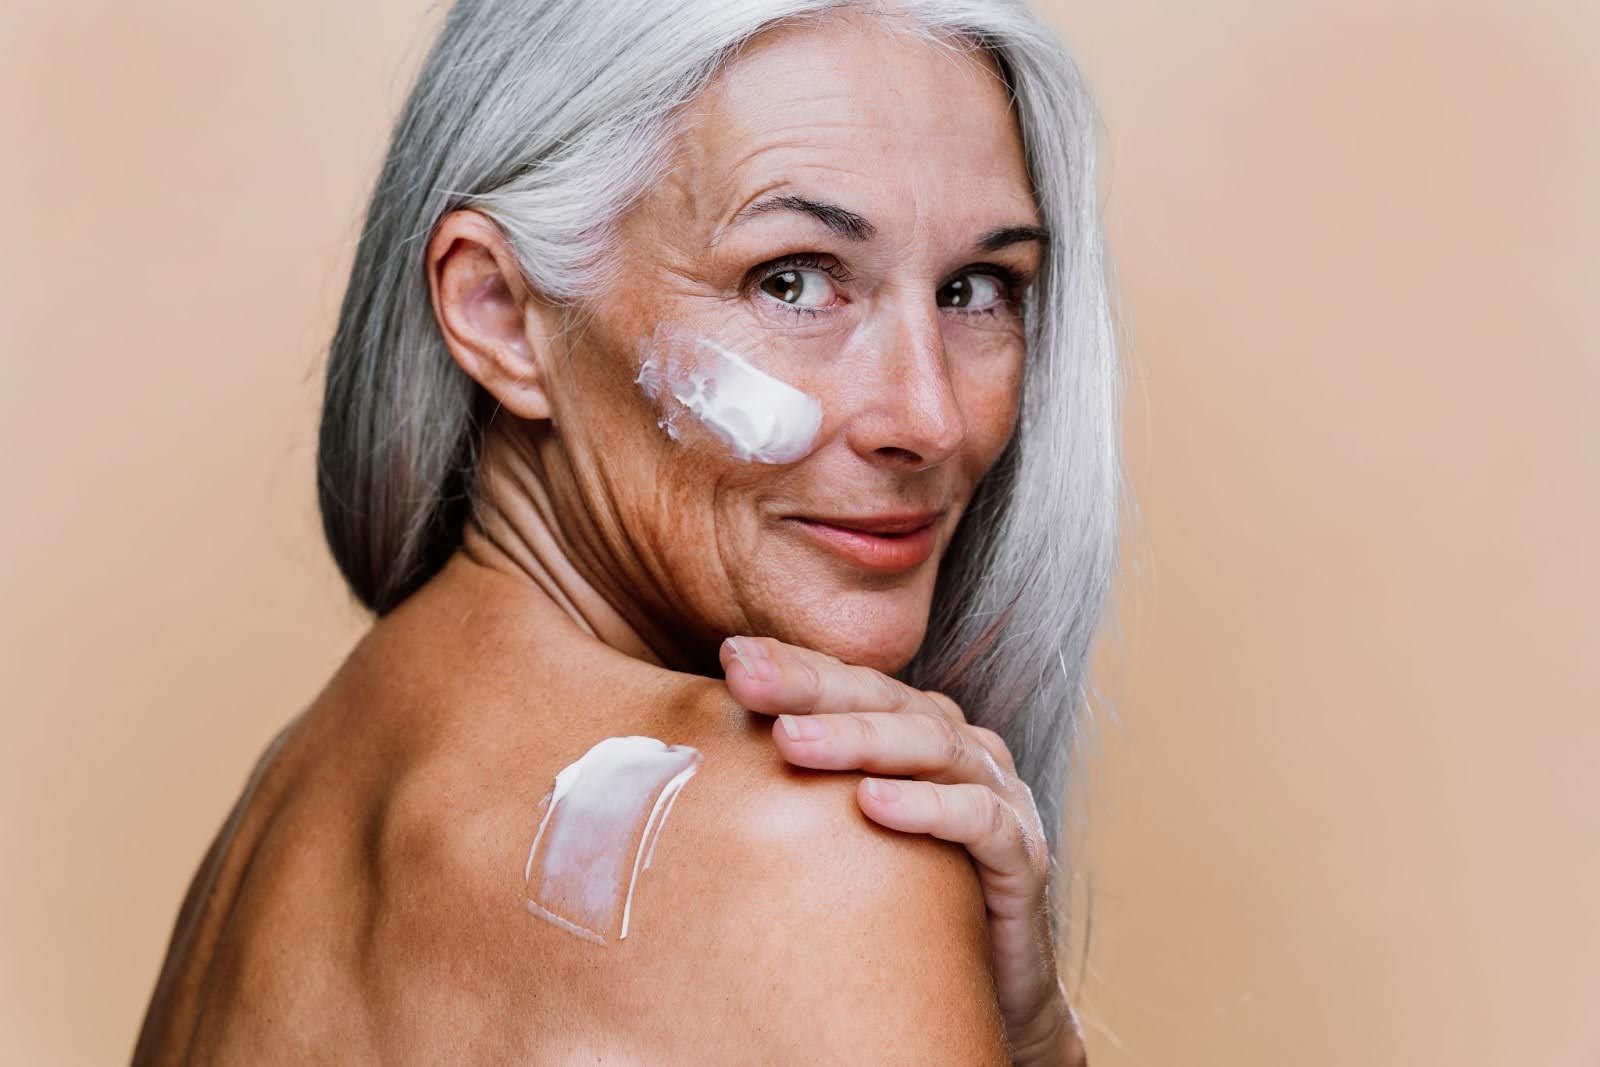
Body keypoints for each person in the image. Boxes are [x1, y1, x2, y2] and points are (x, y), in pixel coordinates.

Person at [134, 0, 1119, 1062]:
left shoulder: (287, 812)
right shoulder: (818, 858)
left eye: (978, 289)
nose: (926, 420)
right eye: (790, 281)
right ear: (502, 313)